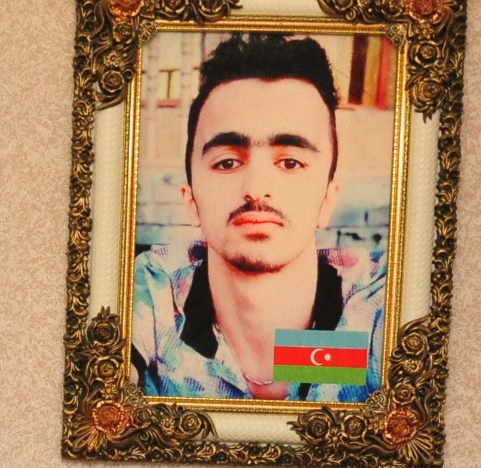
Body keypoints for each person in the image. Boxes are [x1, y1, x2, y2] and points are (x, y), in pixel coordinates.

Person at [129, 32, 387, 401]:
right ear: (191, 200)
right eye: (227, 162)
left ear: (328, 200)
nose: (256, 188)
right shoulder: (152, 294)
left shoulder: (380, 305)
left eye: (290, 162)